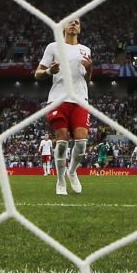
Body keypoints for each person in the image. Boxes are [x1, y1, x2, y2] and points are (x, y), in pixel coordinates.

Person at [35, 18, 92, 196]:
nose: (74, 24)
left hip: (80, 99)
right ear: (63, 28)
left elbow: (87, 80)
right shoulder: (53, 47)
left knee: (81, 143)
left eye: (77, 22)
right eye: (70, 22)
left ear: (80, 29)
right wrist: (49, 71)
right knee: (61, 141)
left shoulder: (86, 50)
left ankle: (72, 171)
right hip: (58, 99)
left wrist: (90, 69)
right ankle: (60, 180)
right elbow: (38, 74)